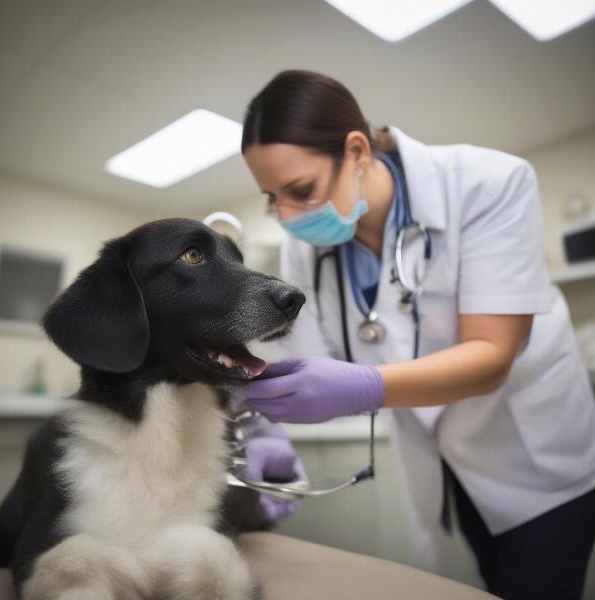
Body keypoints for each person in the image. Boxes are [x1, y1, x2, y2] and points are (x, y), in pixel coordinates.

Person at [238, 70, 595, 600]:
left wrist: (366, 385)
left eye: (299, 190)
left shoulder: (488, 183)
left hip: (534, 458)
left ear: (357, 150)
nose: (287, 216)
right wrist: (265, 430)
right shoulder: (305, 248)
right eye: (271, 197)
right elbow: (300, 358)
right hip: (447, 465)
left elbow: (492, 355)